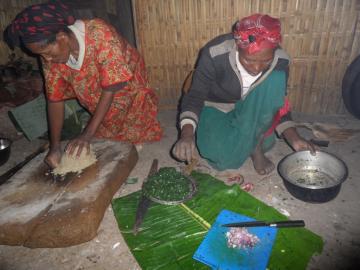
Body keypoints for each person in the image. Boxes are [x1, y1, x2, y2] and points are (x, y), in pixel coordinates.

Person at [5, 1, 162, 168]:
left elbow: (111, 87)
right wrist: (55, 146)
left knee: (130, 126)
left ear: (62, 37)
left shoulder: (100, 34)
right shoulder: (51, 54)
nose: (46, 60)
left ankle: (134, 122)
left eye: (48, 53)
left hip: (125, 85)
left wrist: (86, 135)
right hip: (100, 90)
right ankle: (104, 123)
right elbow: (54, 98)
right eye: (42, 56)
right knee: (104, 130)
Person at [173, 14, 316, 175]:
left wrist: (293, 137)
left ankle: (255, 146)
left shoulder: (280, 61)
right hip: (216, 105)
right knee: (223, 158)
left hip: (251, 107)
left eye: (265, 61)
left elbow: (278, 100)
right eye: (248, 60)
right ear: (237, 46)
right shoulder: (215, 54)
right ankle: (250, 139)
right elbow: (195, 95)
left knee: (276, 79)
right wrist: (187, 134)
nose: (256, 68)